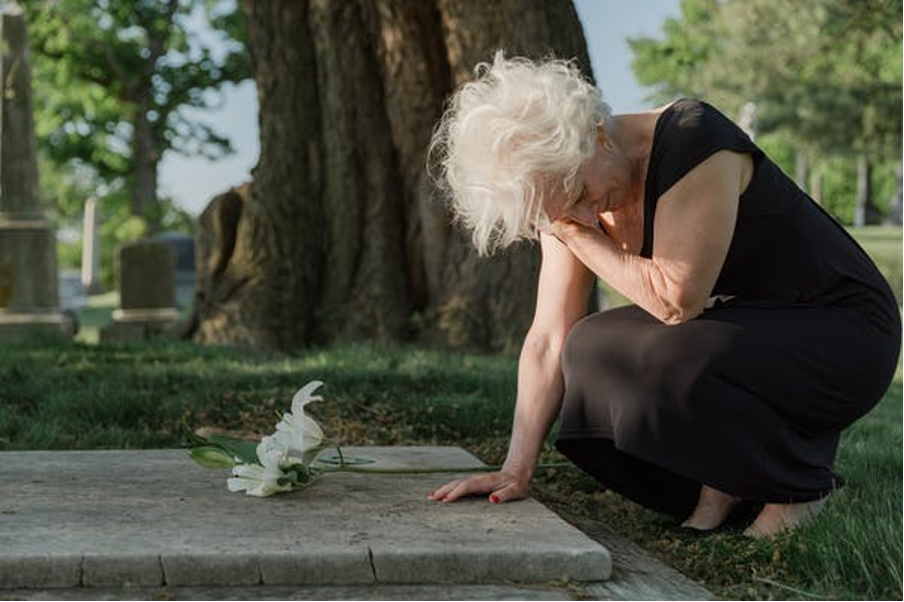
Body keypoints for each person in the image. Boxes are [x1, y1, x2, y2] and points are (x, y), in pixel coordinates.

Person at [425, 52, 901, 538]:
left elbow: (676, 301)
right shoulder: (562, 197)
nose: (583, 218)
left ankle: (797, 487)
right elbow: (549, 336)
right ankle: (729, 480)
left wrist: (575, 234)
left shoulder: (694, 138)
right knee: (590, 346)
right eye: (562, 213)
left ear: (597, 134)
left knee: (664, 351)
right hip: (741, 336)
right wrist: (515, 469)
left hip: (845, 332)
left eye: (579, 196)